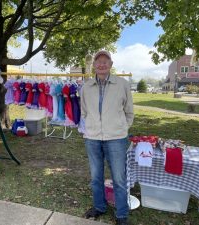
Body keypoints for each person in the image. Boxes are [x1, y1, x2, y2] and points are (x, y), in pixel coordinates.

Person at [81, 50, 134, 225]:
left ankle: (121, 215)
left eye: (105, 61)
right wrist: (89, 128)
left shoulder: (122, 84)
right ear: (94, 66)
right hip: (93, 138)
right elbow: (84, 111)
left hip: (116, 138)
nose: (102, 64)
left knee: (119, 178)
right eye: (98, 61)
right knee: (95, 176)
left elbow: (129, 112)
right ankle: (99, 207)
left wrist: (121, 128)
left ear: (111, 65)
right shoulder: (86, 87)